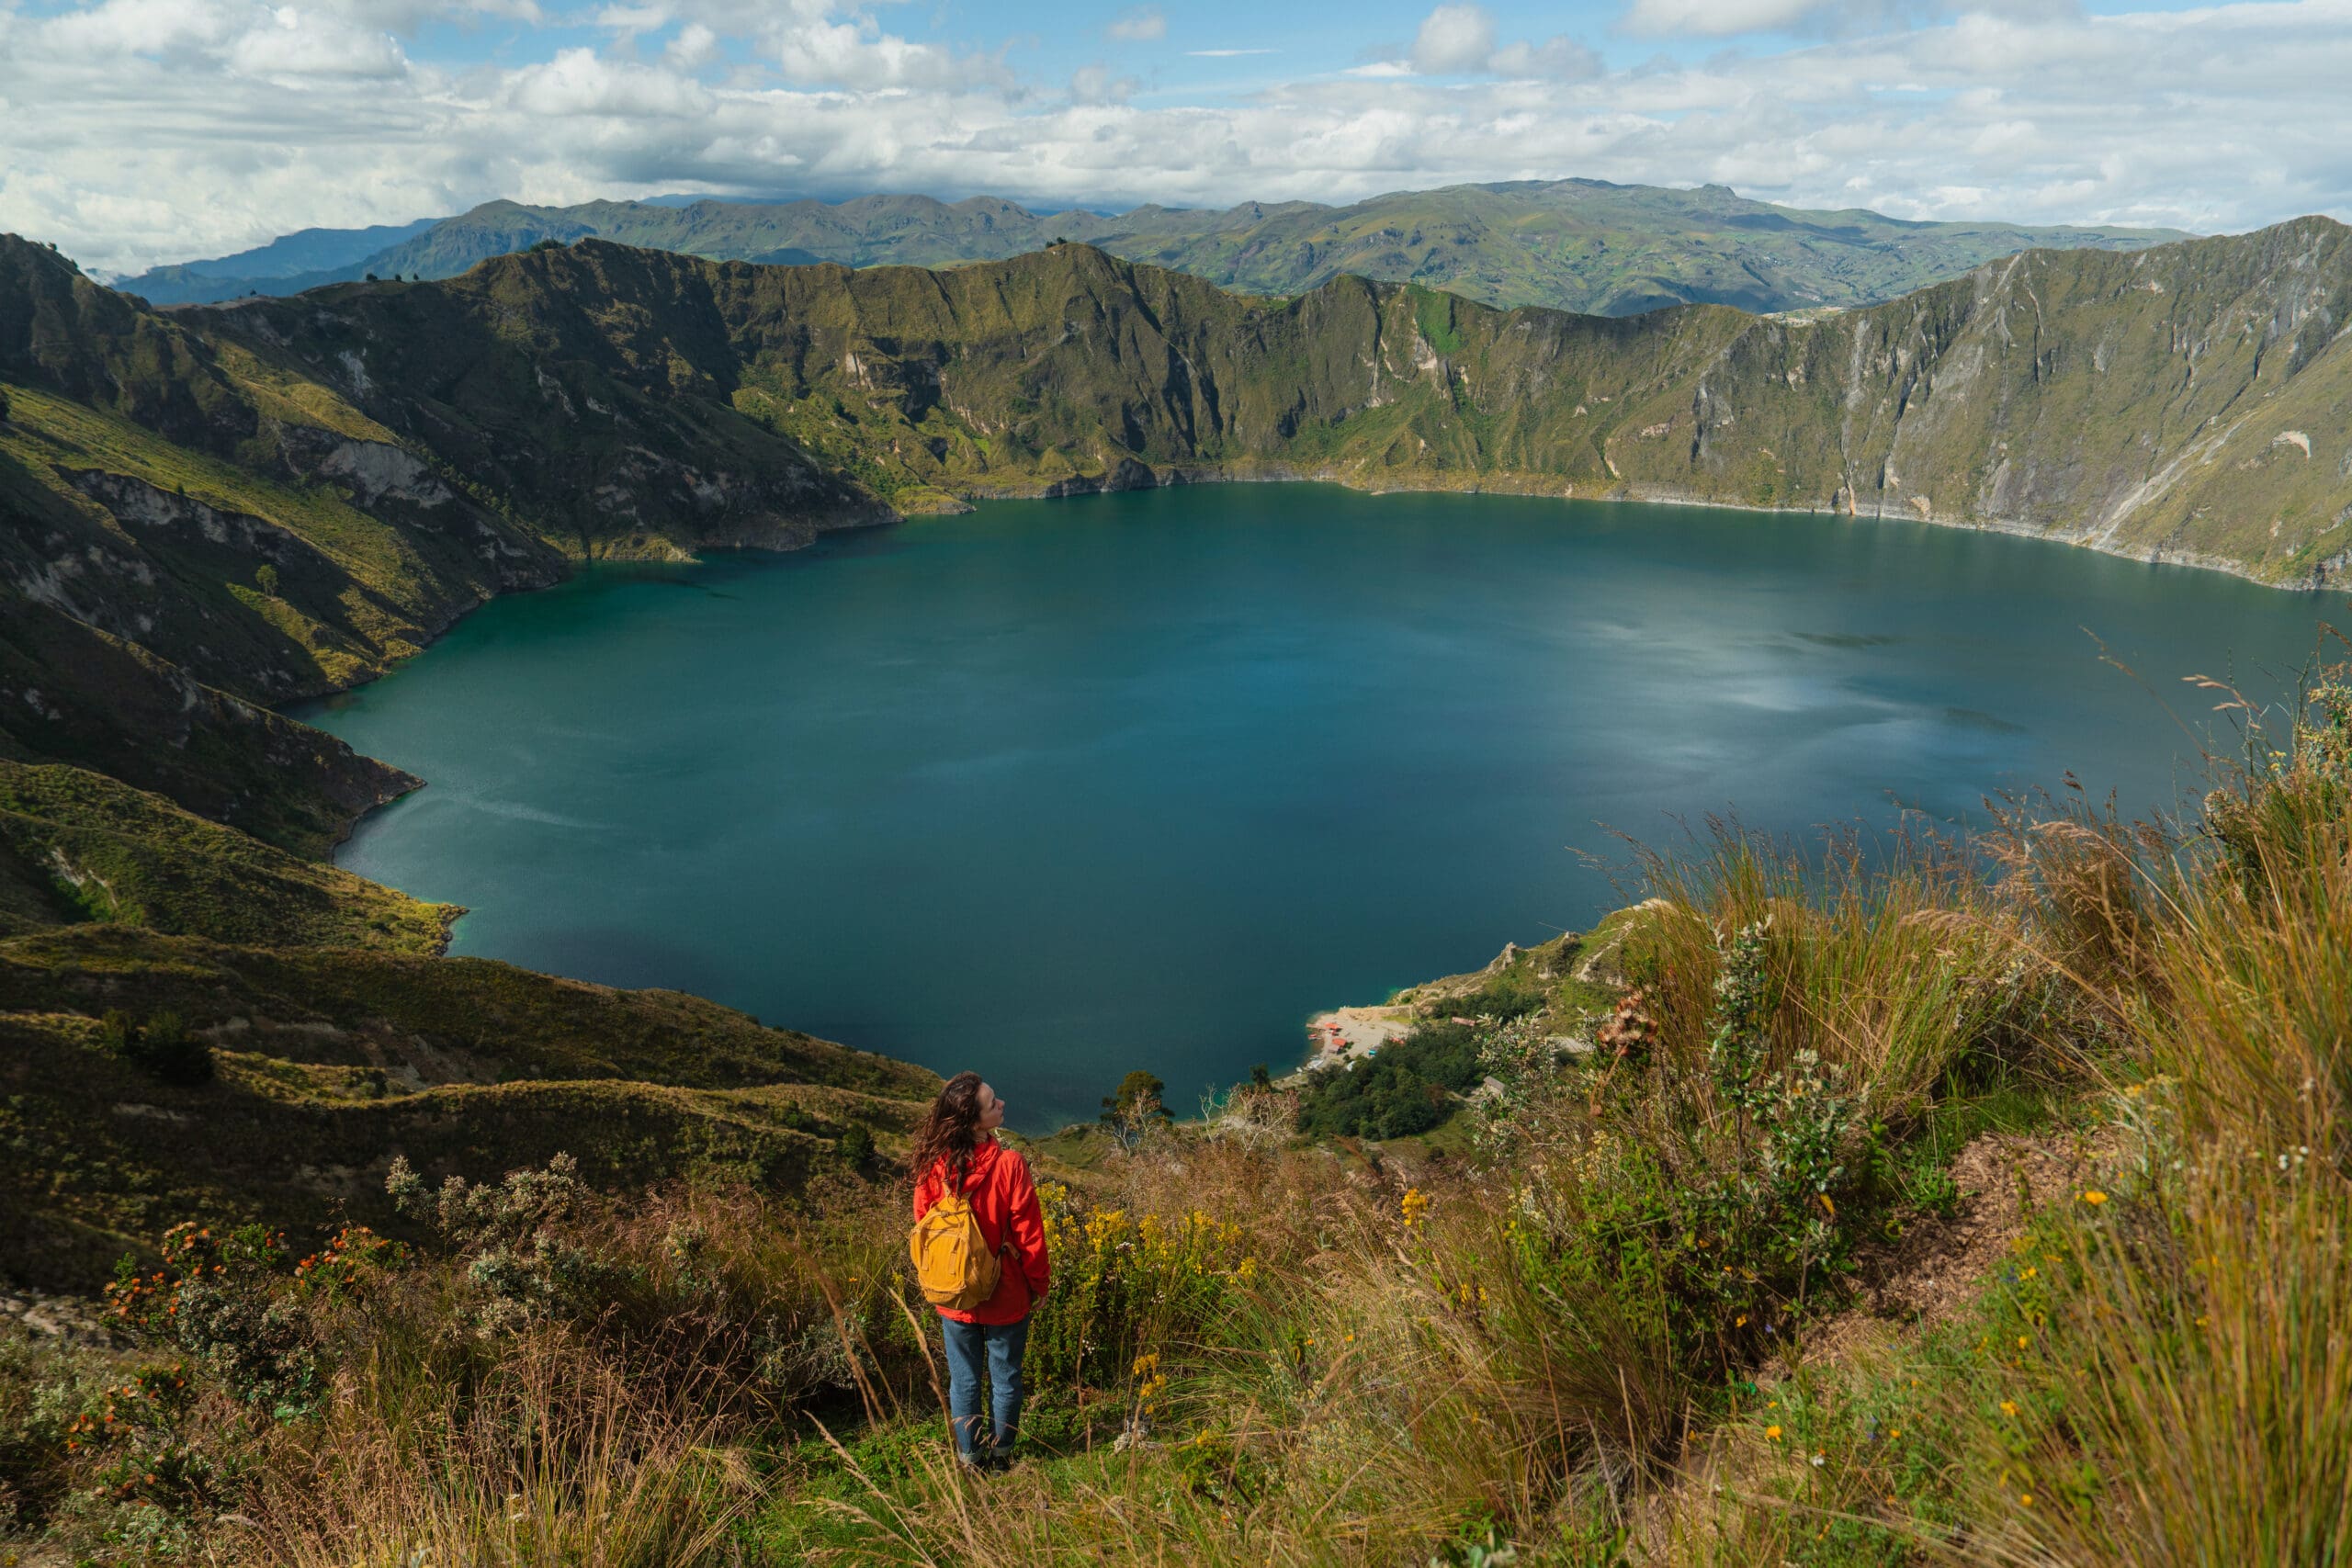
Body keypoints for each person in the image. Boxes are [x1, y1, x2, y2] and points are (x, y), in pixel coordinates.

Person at [910, 1072, 1050, 1472]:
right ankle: (1001, 1455)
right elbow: (1029, 1235)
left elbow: (924, 1225)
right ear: (974, 1122)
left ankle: (969, 1459)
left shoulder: (932, 1165)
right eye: (993, 1103)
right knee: (1006, 1378)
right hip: (1005, 1292)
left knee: (964, 1380)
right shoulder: (1009, 1165)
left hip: (953, 1292)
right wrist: (1038, 1284)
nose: (1002, 1103)